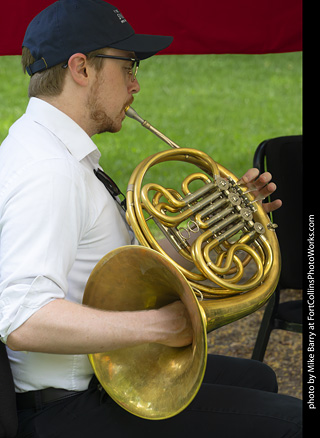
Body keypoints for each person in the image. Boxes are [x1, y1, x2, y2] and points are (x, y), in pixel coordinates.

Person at [0, 1, 301, 437]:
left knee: (260, 380)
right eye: (128, 66)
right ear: (81, 69)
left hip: (94, 380)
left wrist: (216, 223)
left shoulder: (44, 148)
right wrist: (160, 325)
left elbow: (115, 268)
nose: (135, 85)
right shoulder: (51, 171)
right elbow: (23, 317)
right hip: (67, 408)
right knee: (292, 421)